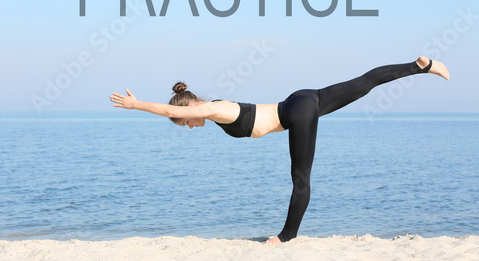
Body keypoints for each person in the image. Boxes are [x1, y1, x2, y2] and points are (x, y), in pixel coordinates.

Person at [109, 56, 450, 245]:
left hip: (294, 112)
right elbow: (180, 111)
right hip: (300, 99)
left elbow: (175, 110)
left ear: (192, 107)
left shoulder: (209, 109)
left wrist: (137, 105)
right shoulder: (214, 108)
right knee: (363, 83)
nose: (190, 126)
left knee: (300, 178)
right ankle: (419, 66)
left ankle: (286, 237)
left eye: (186, 122)